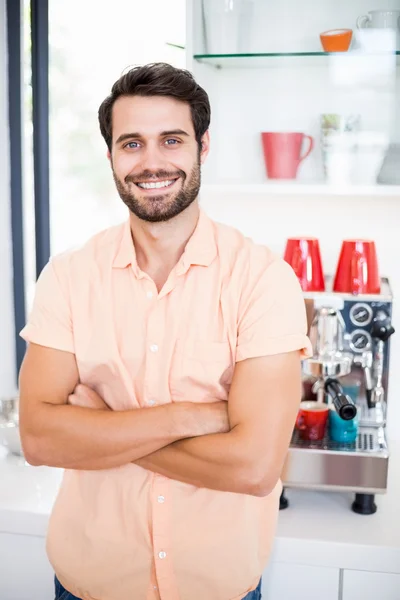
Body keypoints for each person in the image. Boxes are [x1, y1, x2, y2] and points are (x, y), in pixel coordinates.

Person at [19, 62, 311, 600]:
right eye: (132, 144)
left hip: (219, 588)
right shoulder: (67, 278)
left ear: (202, 147)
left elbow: (253, 467)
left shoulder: (264, 280)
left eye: (170, 140)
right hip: (88, 583)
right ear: (110, 157)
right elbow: (38, 438)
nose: (151, 162)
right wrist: (192, 418)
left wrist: (101, 429)